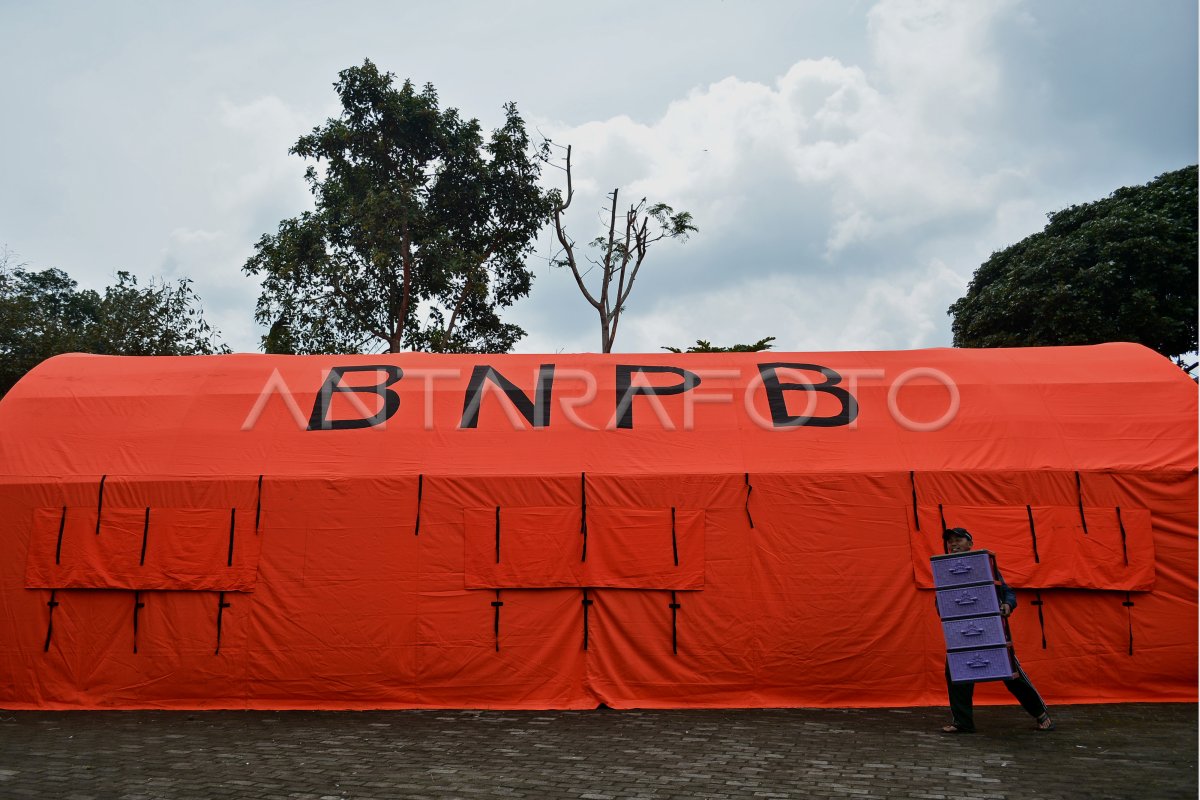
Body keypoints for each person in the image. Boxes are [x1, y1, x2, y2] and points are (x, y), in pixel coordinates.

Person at [940, 526, 1055, 733]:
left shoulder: (985, 566)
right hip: (961, 631)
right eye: (950, 541)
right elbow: (943, 597)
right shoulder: (945, 570)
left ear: (970, 543)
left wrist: (1007, 605)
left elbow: (1008, 593)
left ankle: (1040, 712)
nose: (953, 544)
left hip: (991, 629)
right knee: (956, 672)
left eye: (958, 539)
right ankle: (963, 722)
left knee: (1011, 675)